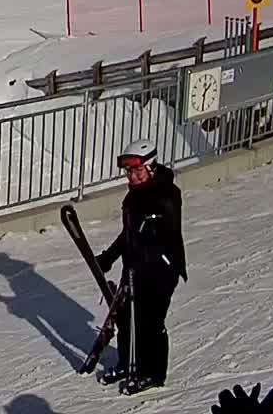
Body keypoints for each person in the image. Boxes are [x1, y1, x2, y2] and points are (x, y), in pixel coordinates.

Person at [94, 140, 186, 395]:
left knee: (150, 321)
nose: (132, 176)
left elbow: (167, 220)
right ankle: (127, 363)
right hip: (135, 265)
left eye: (137, 171)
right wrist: (108, 257)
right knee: (125, 317)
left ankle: (153, 373)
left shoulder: (167, 192)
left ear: (151, 168)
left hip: (161, 269)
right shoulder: (133, 195)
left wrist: (153, 225)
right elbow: (129, 234)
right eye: (128, 172)